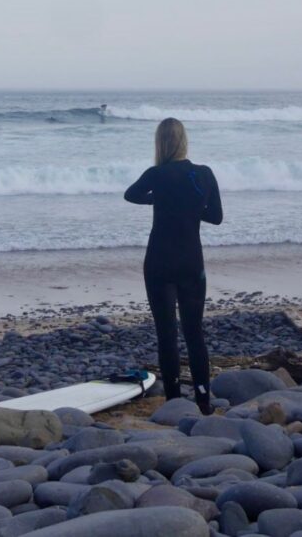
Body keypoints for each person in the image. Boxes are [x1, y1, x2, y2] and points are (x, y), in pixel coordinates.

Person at [124, 118, 223, 415]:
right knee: (194, 333)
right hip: (192, 261)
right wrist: (189, 209)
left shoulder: (156, 174)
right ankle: (204, 399)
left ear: (161, 143)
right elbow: (216, 216)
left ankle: (173, 402)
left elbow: (131, 195)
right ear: (184, 141)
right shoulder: (204, 174)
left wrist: (159, 201)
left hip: (159, 262)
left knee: (166, 333)